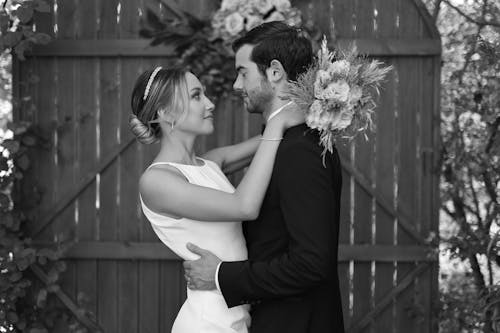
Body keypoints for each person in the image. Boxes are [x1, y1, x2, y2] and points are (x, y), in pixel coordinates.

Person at [183, 22, 345, 332]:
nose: (235, 85)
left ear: (274, 72)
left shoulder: (301, 150)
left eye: (243, 73)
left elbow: (311, 264)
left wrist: (220, 275)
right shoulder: (285, 140)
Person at [131, 66, 303, 332]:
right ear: (165, 113)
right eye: (197, 96)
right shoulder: (157, 181)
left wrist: (315, 109)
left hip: (236, 313)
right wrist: (278, 122)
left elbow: (276, 139)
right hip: (207, 321)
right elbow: (244, 206)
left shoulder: (211, 162)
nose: (210, 104)